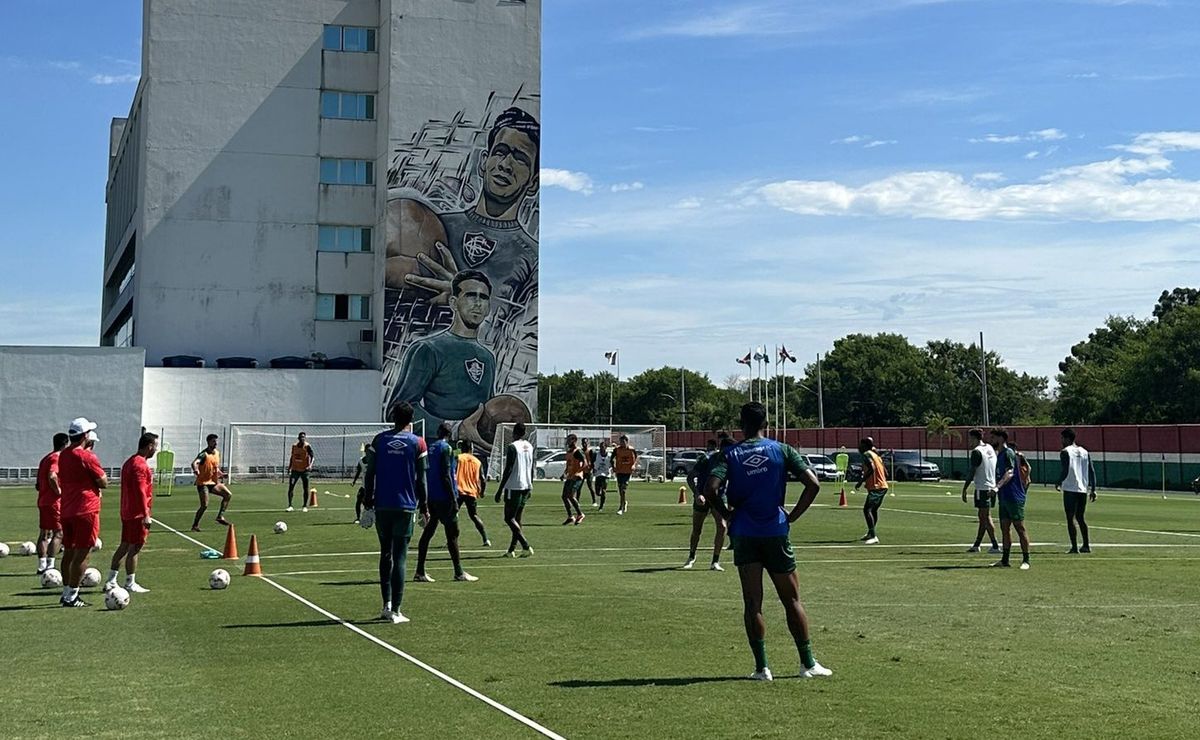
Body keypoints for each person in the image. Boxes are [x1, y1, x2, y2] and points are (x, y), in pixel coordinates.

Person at [705, 402, 831, 680]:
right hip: (775, 530)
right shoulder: (782, 449)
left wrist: (727, 514)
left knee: (753, 603)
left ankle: (762, 668)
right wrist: (792, 517)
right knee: (792, 599)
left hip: (745, 534)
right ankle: (807, 663)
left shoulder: (729, 454)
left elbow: (710, 489)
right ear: (767, 423)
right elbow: (813, 484)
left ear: (742, 424)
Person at [389, 270, 498, 437]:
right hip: (438, 452)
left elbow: (487, 410)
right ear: (454, 303)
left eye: (483, 297)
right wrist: (452, 429)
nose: (477, 303)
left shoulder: (487, 357)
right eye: (470, 296)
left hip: (475, 456)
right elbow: (398, 409)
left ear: (488, 307)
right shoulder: (428, 349)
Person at [363, 402, 428, 624]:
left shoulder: (380, 440)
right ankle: (397, 611)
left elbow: (369, 473)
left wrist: (367, 502)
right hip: (405, 506)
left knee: (385, 553)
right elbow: (423, 480)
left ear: (393, 417)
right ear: (411, 419)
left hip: (382, 505)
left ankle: (386, 606)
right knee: (400, 556)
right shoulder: (418, 443)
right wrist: (424, 507)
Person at [413, 423, 478, 583]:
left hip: (432, 496)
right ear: (450, 434)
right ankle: (458, 572)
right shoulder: (446, 449)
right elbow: (446, 475)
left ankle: (420, 571)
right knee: (453, 534)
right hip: (444, 497)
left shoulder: (430, 447)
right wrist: (453, 498)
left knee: (428, 532)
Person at [57, 418, 108, 608]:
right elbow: (103, 481)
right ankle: (71, 596)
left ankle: (66, 591)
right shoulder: (87, 456)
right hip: (86, 509)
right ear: (85, 435)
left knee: (69, 552)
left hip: (67, 508)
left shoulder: (64, 455)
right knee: (83, 553)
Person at [105, 432, 158, 594]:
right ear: (149, 446)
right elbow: (141, 491)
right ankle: (130, 582)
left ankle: (112, 580)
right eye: (155, 446)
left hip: (127, 510)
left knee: (125, 545)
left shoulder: (129, 462)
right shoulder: (140, 465)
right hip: (136, 513)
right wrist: (145, 514)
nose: (156, 449)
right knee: (135, 547)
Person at [683, 435, 731, 571]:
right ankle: (691, 556)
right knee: (697, 529)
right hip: (703, 496)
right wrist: (697, 494)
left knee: (722, 526)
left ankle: (715, 561)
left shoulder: (731, 461)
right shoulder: (707, 459)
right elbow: (691, 477)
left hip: (719, 497)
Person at [991, 429, 1031, 570]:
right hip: (1004, 496)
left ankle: (1026, 560)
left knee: (1020, 528)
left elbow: (1010, 472)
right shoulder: (1000, 454)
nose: (992, 440)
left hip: (1014, 496)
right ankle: (1005, 560)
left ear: (1001, 438)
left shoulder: (1008, 453)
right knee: (1005, 528)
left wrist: (997, 487)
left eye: (994, 437)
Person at [495, 421, 534, 557]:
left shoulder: (512, 447)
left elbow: (509, 469)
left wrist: (500, 489)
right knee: (517, 519)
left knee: (508, 518)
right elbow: (531, 467)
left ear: (514, 432)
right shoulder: (529, 446)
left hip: (514, 485)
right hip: (526, 486)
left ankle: (525, 545)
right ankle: (512, 550)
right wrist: (531, 485)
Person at [1056, 428, 1098, 554]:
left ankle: (1074, 547)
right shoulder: (1085, 451)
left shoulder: (1065, 452)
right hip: (1082, 489)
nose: (1061, 441)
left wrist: (1058, 481)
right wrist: (1093, 489)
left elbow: (1065, 470)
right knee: (1081, 517)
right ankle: (1086, 545)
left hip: (1070, 487)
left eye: (1062, 438)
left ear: (1067, 438)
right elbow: (1092, 470)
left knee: (1070, 518)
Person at [960, 428, 1000, 554]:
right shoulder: (989, 448)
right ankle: (977, 545)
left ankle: (995, 545)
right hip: (992, 486)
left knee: (985, 517)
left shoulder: (977, 452)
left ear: (975, 438)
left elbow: (972, 471)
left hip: (982, 488)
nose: (969, 442)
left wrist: (965, 488)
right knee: (982, 517)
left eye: (970, 439)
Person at [34, 433, 69, 575]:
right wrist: (59, 491)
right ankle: (50, 566)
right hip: (54, 502)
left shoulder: (45, 459)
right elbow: (52, 475)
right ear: (65, 444)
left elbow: (37, 484)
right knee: (59, 533)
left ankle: (41, 565)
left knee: (44, 533)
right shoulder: (57, 457)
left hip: (42, 500)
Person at [190, 434, 232, 532]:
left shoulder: (217, 453)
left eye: (216, 441)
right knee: (204, 505)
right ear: (208, 442)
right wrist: (196, 469)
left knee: (228, 495)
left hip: (213, 482)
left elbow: (215, 468)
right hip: (203, 483)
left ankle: (220, 517)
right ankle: (195, 525)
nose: (216, 443)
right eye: (213, 441)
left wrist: (222, 474)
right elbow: (194, 463)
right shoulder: (204, 454)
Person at [456, 439, 490, 547]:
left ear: (462, 448)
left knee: (453, 515)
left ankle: (453, 539)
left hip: (459, 490)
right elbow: (483, 479)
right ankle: (485, 539)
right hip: (471, 492)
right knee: (474, 516)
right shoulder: (477, 461)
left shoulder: (458, 458)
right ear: (472, 448)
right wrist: (482, 492)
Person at [854, 437, 888, 544]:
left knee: (867, 510)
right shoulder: (876, 455)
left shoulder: (867, 454)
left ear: (865, 445)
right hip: (881, 486)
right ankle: (870, 533)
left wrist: (861, 481)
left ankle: (873, 536)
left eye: (861, 444)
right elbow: (885, 472)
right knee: (873, 510)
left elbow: (871, 468)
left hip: (877, 487)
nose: (859, 446)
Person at [561, 434, 587, 525]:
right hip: (570, 476)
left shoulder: (578, 451)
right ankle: (570, 516)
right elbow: (569, 465)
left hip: (577, 477)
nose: (567, 442)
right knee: (564, 496)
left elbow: (585, 463)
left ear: (574, 440)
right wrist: (564, 473)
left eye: (569, 440)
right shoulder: (569, 452)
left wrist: (578, 472)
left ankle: (580, 514)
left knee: (571, 495)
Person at [286, 431, 315, 512]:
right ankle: (290, 505)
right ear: (298, 438)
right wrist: (289, 467)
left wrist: (310, 465)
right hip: (295, 470)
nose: (302, 438)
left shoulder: (307, 446)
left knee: (305, 488)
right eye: (301, 437)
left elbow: (312, 456)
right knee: (291, 487)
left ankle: (304, 506)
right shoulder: (294, 446)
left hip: (304, 470)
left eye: (304, 437)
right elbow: (292, 457)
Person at [612, 435, 638, 516]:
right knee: (620, 490)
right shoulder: (617, 449)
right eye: (620, 442)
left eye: (623, 442)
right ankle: (624, 502)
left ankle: (621, 507)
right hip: (619, 471)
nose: (622, 443)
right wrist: (613, 467)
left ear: (627, 441)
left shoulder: (631, 449)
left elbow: (637, 458)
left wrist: (634, 465)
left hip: (627, 471)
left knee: (623, 489)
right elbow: (612, 458)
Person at [351, 442, 372, 524]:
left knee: (370, 504)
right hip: (364, 486)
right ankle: (358, 518)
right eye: (367, 451)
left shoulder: (376, 460)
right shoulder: (361, 461)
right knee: (358, 500)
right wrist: (354, 481)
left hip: (373, 487)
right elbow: (358, 472)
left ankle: (372, 517)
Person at [592, 440, 611, 510]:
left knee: (603, 490)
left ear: (606, 447)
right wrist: (593, 469)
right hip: (598, 474)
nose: (601, 448)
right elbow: (592, 462)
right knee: (597, 492)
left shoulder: (609, 456)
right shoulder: (596, 455)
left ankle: (601, 506)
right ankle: (602, 495)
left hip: (606, 475)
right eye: (600, 447)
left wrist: (613, 468)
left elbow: (612, 463)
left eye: (603, 447)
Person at [581, 438, 596, 505]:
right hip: (581, 471)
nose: (584, 444)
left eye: (586, 443)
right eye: (583, 443)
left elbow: (593, 461)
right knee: (579, 487)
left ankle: (594, 501)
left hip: (588, 471)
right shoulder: (580, 451)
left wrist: (591, 469)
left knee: (590, 487)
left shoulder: (590, 451)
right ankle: (577, 501)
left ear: (588, 443)